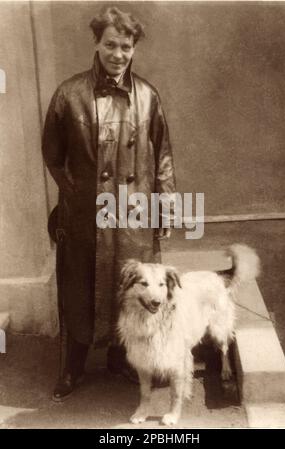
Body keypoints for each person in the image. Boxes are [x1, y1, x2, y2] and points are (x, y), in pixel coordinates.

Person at [42, 6, 176, 401]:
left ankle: (121, 360)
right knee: (80, 286)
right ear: (97, 44)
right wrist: (74, 195)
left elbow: (163, 154)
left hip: (134, 212)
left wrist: (165, 207)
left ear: (134, 48)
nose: (118, 54)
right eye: (111, 45)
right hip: (85, 215)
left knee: (127, 285)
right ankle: (73, 366)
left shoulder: (148, 96)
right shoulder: (69, 93)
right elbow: (52, 153)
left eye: (126, 46)